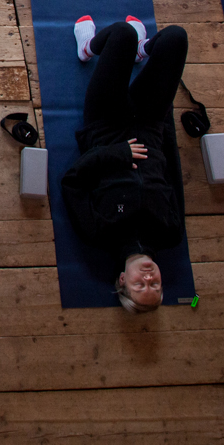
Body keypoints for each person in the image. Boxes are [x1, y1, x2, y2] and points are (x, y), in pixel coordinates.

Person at [63, 16, 188, 313]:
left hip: (106, 125)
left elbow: (73, 181)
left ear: (122, 279)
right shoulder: (170, 233)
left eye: (139, 286)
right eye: (155, 285)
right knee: (175, 38)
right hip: (150, 122)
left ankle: (87, 47)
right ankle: (142, 51)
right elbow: (173, 174)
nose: (148, 278)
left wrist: (118, 153)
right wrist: (164, 124)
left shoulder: (99, 234)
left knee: (122, 34)